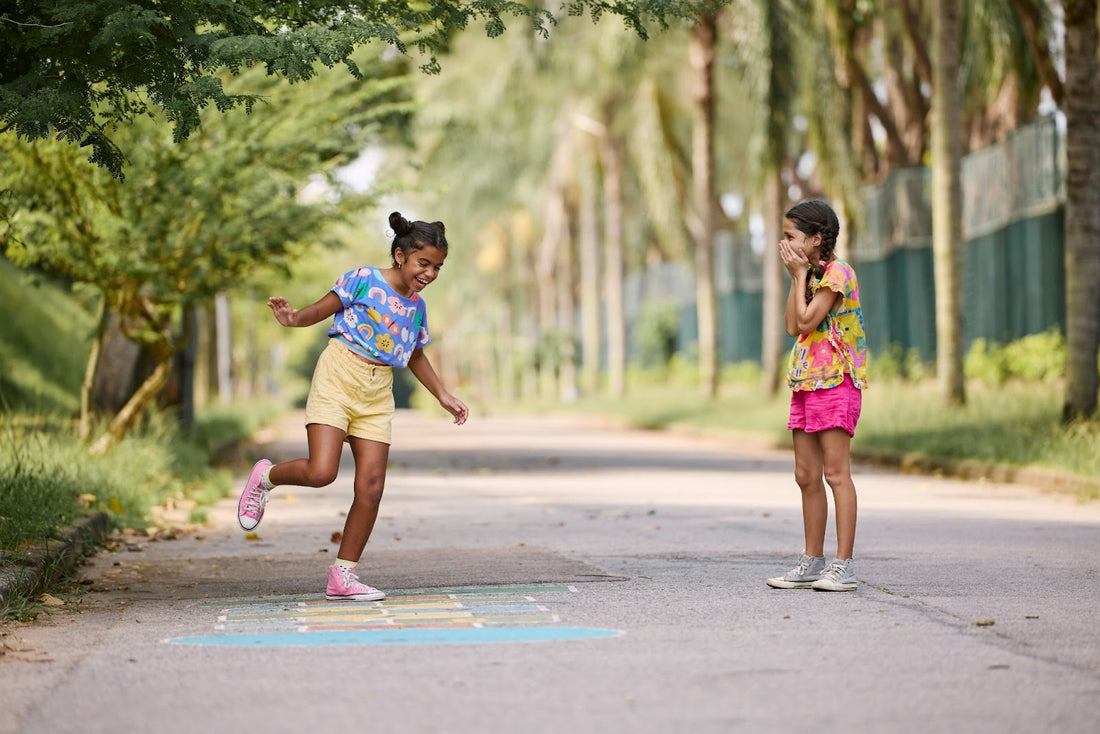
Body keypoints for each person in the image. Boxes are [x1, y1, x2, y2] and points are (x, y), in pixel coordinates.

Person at [236, 211, 468, 601]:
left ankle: (342, 576)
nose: (429, 273)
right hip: (339, 374)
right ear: (400, 255)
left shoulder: (417, 308)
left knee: (371, 487)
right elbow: (320, 308)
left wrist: (443, 396)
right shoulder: (363, 279)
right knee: (322, 471)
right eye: (423, 263)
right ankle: (266, 477)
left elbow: (414, 354)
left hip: (379, 392)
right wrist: (293, 320)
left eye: (437, 267)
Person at [766, 199, 868, 592]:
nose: (785, 243)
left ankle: (844, 565)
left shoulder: (838, 273)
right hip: (806, 382)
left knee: (835, 474)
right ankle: (812, 562)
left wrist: (796, 278)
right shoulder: (809, 275)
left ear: (817, 238)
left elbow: (809, 318)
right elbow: (794, 327)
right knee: (805, 475)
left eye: (791, 236)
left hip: (836, 381)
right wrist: (798, 277)